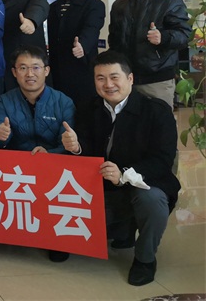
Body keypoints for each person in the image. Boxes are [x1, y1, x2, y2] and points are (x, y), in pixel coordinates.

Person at [62, 51, 180, 286]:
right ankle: (122, 230)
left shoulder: (156, 111)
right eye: (100, 78)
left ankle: (145, 259)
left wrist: (124, 174)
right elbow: (86, 149)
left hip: (142, 184)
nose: (108, 84)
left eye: (114, 77)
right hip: (101, 187)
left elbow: (162, 160)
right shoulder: (87, 108)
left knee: (152, 199)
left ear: (130, 78)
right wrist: (76, 147)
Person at [0, 45, 75, 262]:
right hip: (19, 170)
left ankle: (56, 236)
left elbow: (69, 144)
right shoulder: (4, 100)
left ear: (46, 70)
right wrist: (1, 135)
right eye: (23, 68)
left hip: (53, 167)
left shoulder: (63, 102)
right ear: (14, 72)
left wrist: (50, 152)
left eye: (36, 67)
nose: (30, 74)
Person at [108, 0, 191, 108]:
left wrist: (163, 37)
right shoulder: (119, 5)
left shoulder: (169, 1)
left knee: (160, 120)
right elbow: (114, 39)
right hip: (125, 78)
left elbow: (185, 35)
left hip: (157, 78)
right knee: (127, 120)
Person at [47, 0, 105, 108]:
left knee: (84, 112)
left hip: (82, 68)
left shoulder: (94, 4)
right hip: (56, 70)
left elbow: (92, 28)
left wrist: (82, 46)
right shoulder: (53, 7)